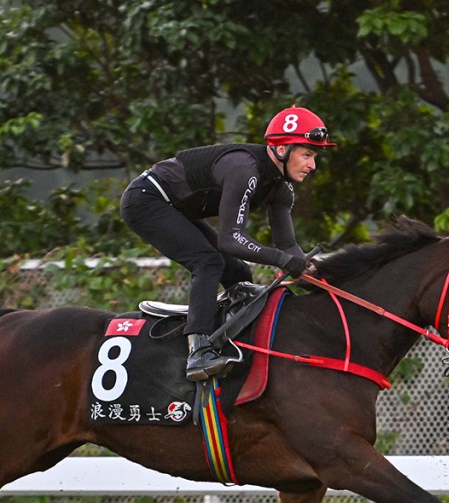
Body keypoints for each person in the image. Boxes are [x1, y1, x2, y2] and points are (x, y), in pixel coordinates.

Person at [120, 105, 336, 382]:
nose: (312, 165)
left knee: (239, 274)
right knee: (208, 262)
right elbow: (231, 239)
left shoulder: (282, 189)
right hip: (146, 200)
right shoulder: (244, 170)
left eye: (314, 156)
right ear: (282, 150)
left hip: (176, 207)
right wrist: (283, 261)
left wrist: (311, 272)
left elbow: (289, 247)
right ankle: (198, 351)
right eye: (307, 155)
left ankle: (235, 339)